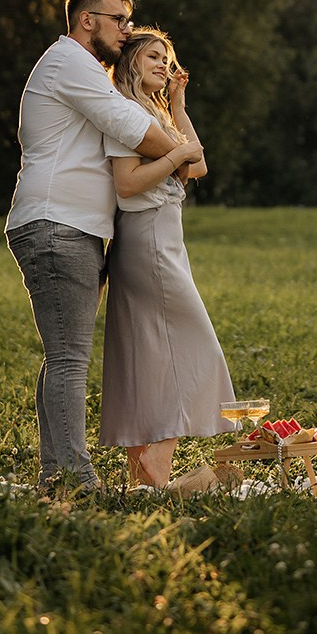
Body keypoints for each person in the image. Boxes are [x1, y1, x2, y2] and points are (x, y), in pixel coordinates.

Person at [5, 0, 201, 494]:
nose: (127, 30)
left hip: (76, 228)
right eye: (119, 20)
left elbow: (131, 120)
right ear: (86, 20)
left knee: (61, 355)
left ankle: (58, 471)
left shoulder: (85, 68)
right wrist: (181, 155)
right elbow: (130, 126)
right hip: (56, 225)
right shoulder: (69, 61)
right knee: (69, 357)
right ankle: (73, 477)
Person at [99, 28, 234, 493]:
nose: (163, 63)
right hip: (149, 243)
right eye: (153, 56)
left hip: (163, 243)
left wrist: (177, 107)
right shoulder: (125, 110)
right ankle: (154, 469)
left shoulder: (153, 113)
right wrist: (178, 151)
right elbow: (127, 184)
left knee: (151, 356)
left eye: (167, 57)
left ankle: (146, 475)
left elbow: (197, 167)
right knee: (192, 346)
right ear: (131, 62)